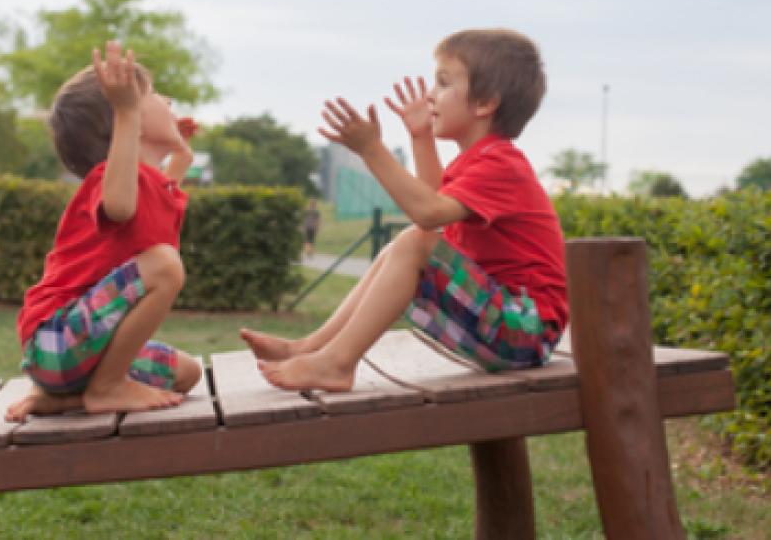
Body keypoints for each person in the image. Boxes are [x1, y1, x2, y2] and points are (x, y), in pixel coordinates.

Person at [241, 28, 567, 392]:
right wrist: (421, 137)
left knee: (414, 241)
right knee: (407, 243)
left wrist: (371, 150)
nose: (430, 95)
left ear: (484, 102)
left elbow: (426, 213)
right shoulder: (478, 162)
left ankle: (337, 362)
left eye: (443, 83)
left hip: (526, 330)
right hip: (507, 324)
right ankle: (310, 347)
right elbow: (433, 206)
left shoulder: (502, 165)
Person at [6, 41, 203, 421]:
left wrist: (181, 157)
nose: (169, 101)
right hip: (55, 340)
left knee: (187, 372)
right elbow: (123, 207)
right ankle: (108, 387)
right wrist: (127, 110)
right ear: (126, 117)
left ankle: (66, 398)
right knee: (165, 264)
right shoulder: (106, 182)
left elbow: (160, 207)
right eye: (155, 96)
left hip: (82, 352)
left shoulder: (148, 183)